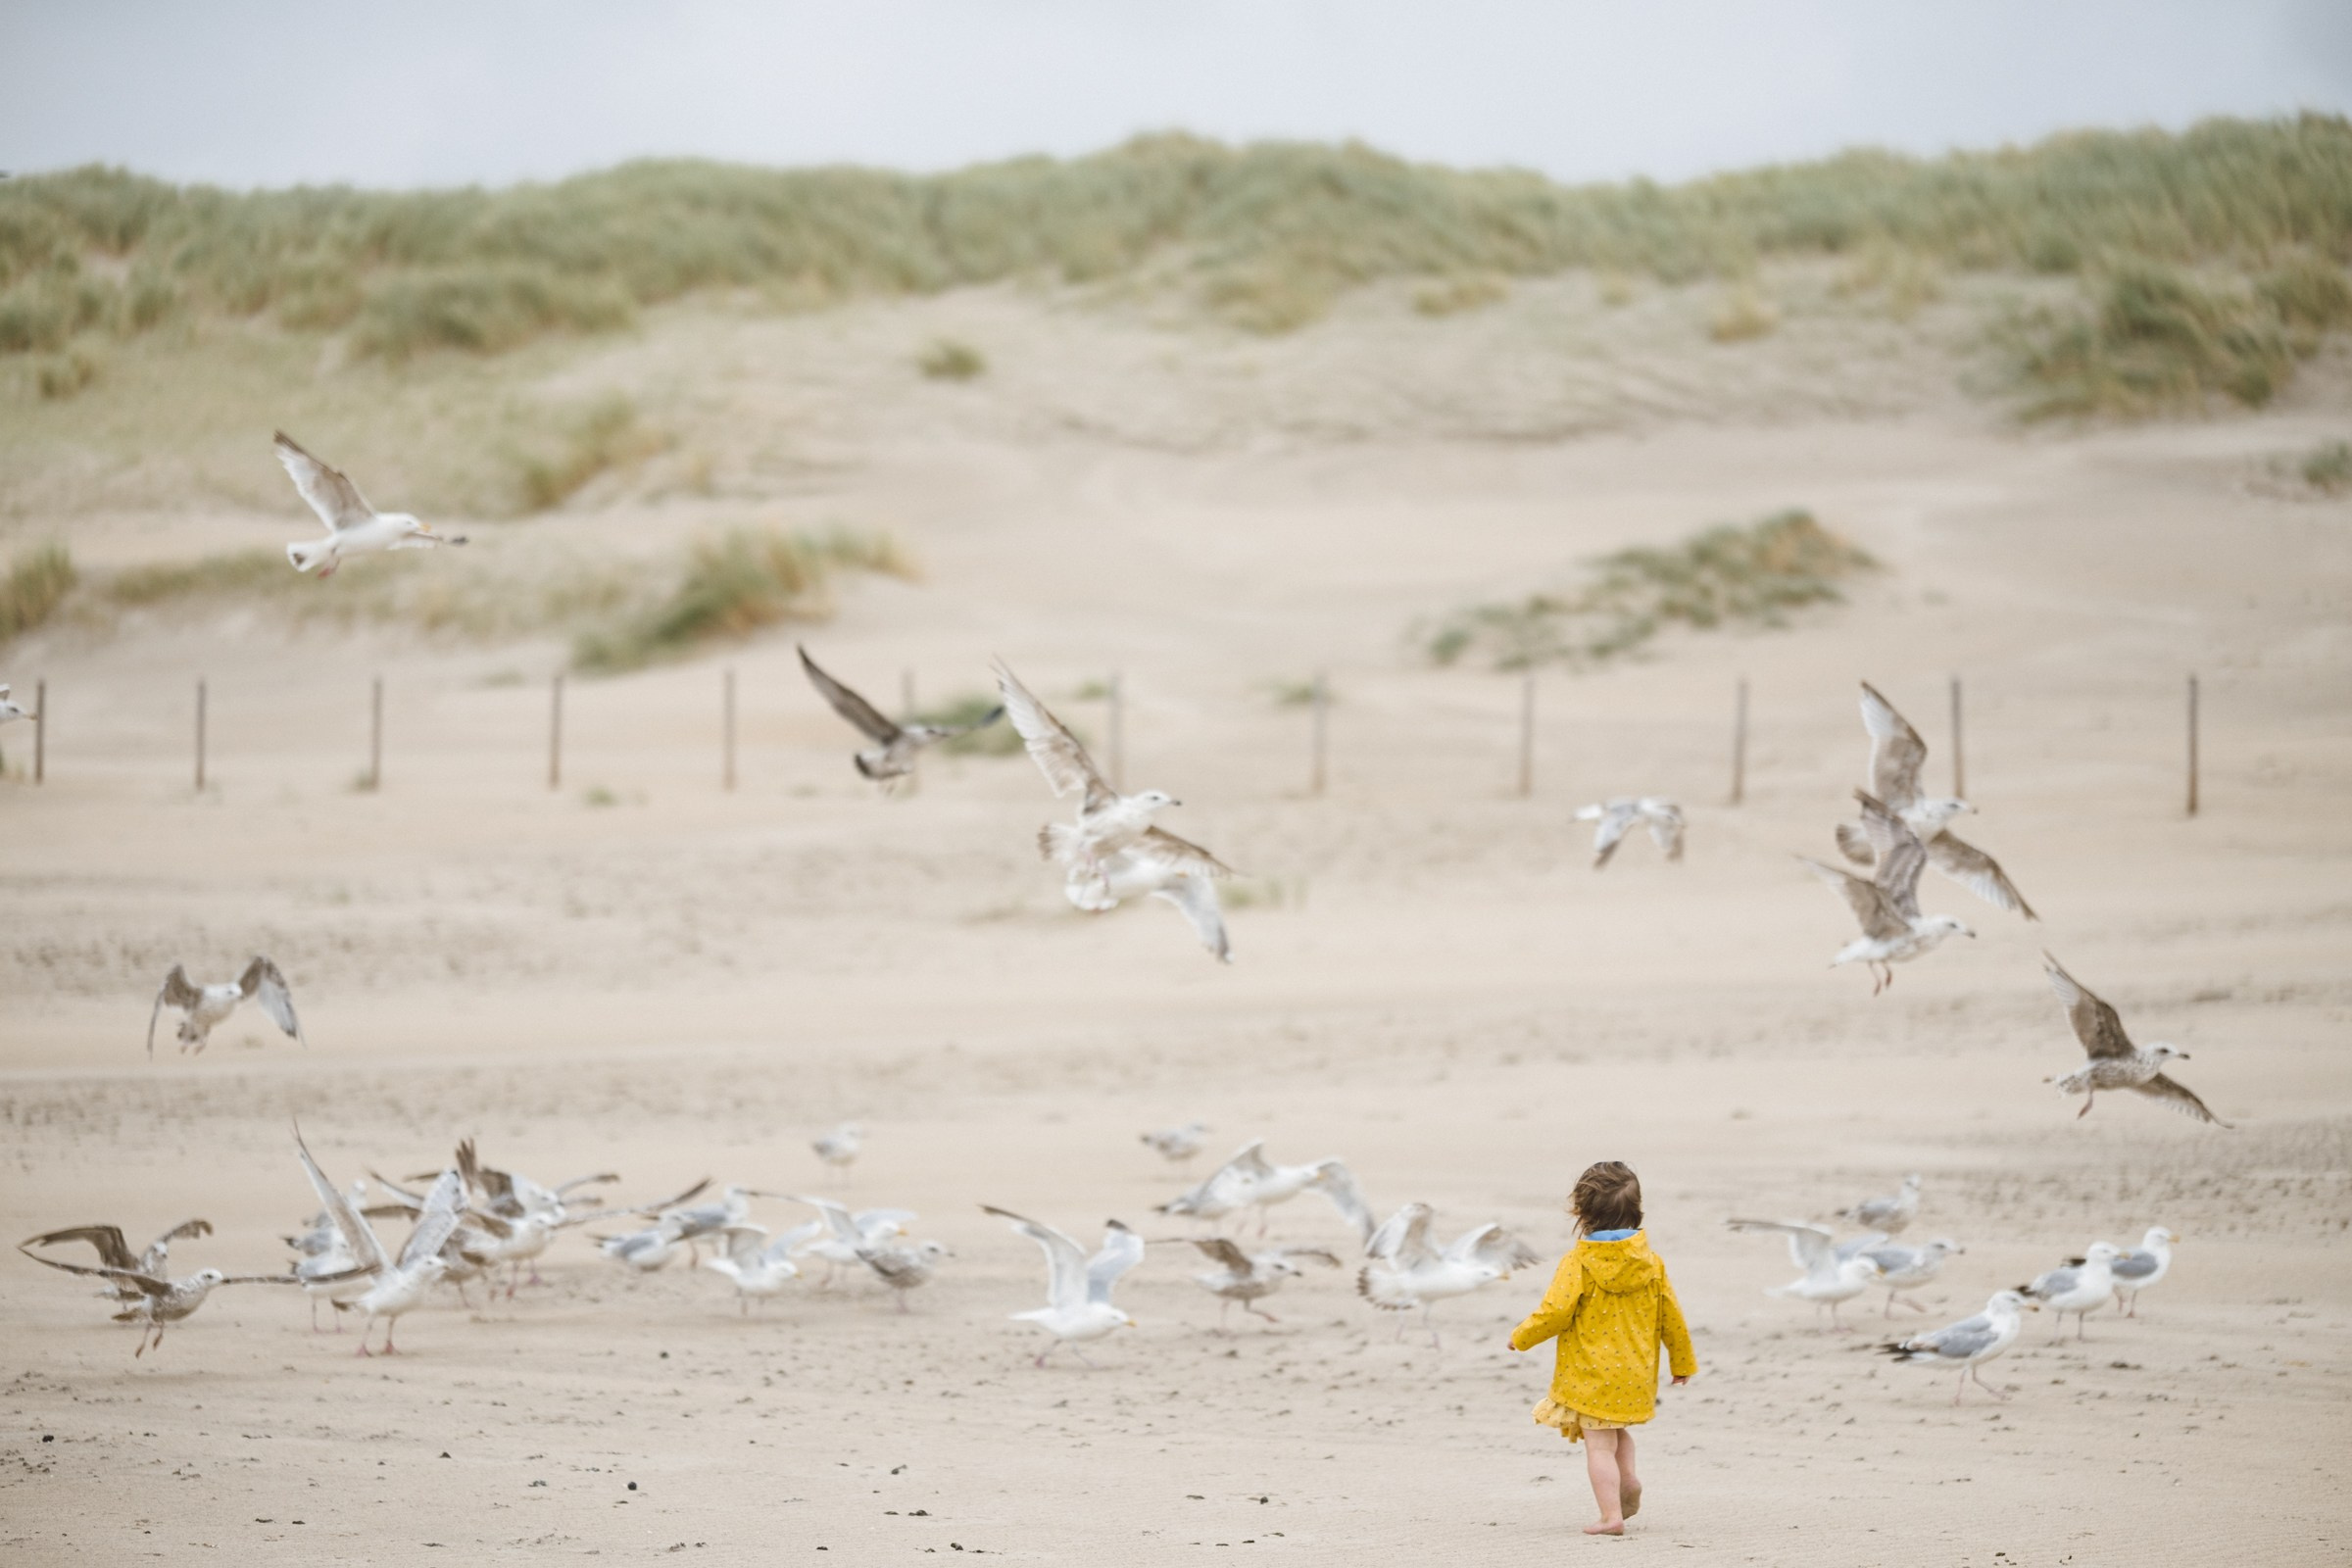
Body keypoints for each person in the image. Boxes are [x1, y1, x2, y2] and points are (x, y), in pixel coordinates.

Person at [1507, 1160, 1696, 1537]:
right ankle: (1629, 1479)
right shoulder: (1652, 1264)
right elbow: (1671, 1316)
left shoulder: (1579, 1262)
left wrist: (1521, 1336)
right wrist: (1682, 1362)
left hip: (1591, 1375)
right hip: (1636, 1374)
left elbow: (1555, 1312)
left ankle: (1611, 1515)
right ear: (1637, 1209)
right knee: (1616, 1431)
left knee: (1598, 1447)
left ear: (1581, 1212)